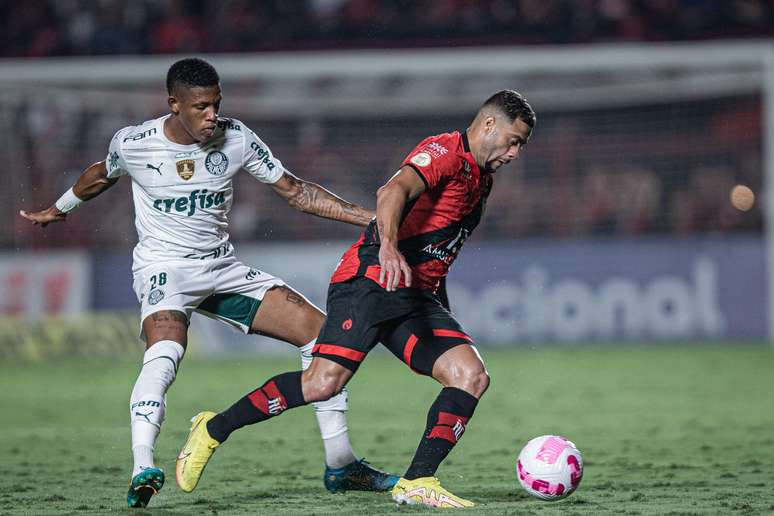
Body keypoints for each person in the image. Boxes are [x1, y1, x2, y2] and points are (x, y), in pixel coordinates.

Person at [19, 57, 397, 508]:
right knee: (165, 353)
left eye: (216, 104)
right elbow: (101, 175)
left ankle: (341, 464)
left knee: (322, 335)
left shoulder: (235, 137)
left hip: (221, 268)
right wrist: (59, 209)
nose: (211, 115)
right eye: (200, 107)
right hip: (165, 270)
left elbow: (296, 191)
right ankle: (143, 465)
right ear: (173, 104)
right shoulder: (136, 143)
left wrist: (374, 220)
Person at [176, 89, 536, 508]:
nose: (515, 153)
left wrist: (441, 310)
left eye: (521, 146)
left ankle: (417, 481)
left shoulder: (481, 180)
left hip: (414, 297)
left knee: (470, 375)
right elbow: (391, 192)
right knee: (322, 384)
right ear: (489, 124)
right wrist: (387, 247)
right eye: (514, 140)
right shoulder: (443, 152)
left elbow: (440, 251)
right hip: (369, 280)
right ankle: (213, 429)